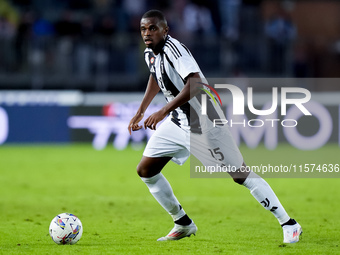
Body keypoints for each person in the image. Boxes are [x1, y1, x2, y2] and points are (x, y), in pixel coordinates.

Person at [128, 9, 302, 243]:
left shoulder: (175, 50)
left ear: (165, 30)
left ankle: (289, 223)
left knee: (240, 175)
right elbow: (155, 75)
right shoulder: (151, 51)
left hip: (204, 123)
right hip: (178, 122)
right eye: (143, 29)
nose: (147, 33)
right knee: (146, 170)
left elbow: (196, 83)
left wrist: (162, 111)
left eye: (152, 28)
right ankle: (182, 222)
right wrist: (141, 111)